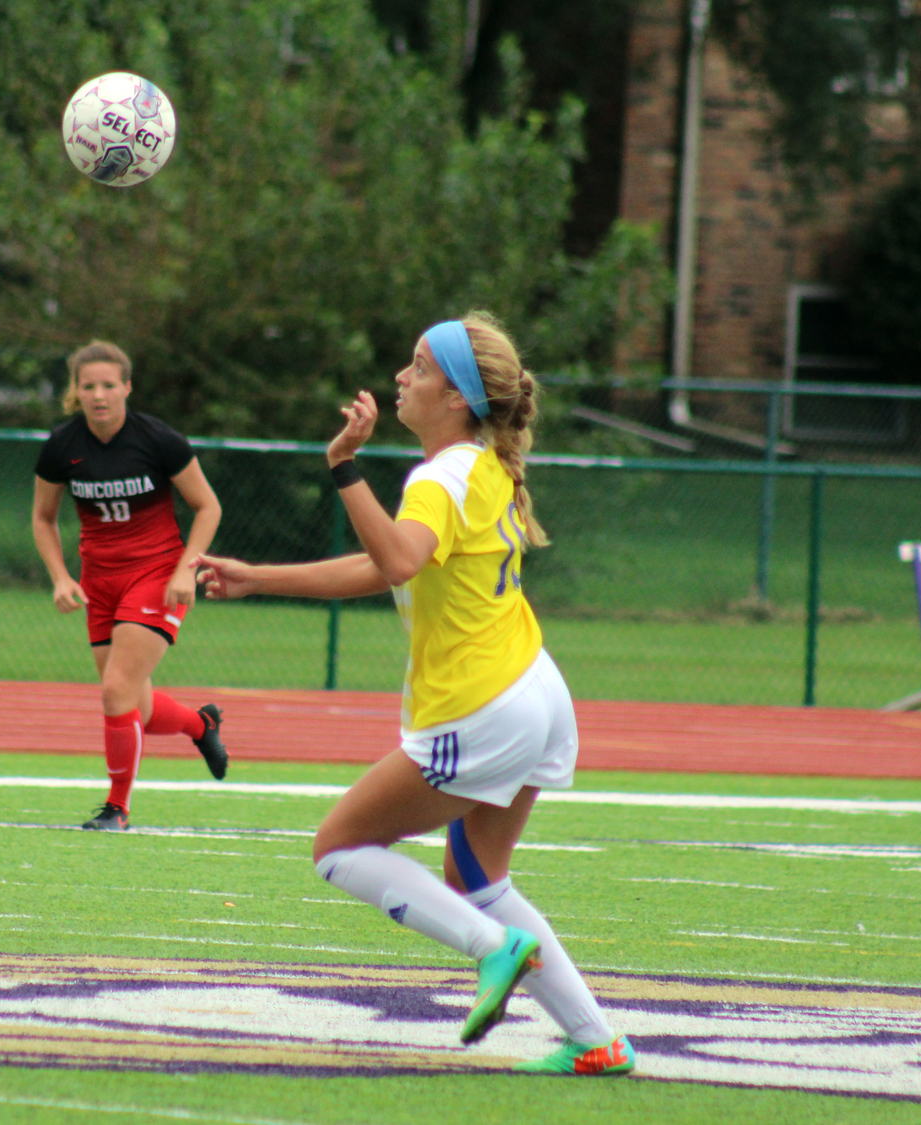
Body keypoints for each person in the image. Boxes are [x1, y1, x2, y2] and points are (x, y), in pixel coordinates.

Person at [197, 313, 632, 1073]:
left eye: (421, 366)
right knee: (478, 876)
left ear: (458, 397)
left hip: (481, 704)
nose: (403, 375)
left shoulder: (439, 475)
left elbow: (394, 560)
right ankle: (597, 1040)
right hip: (537, 689)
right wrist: (259, 576)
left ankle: (492, 950)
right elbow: (384, 565)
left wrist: (342, 465)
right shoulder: (481, 464)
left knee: (339, 847)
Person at [32, 341, 229, 831]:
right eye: (88, 386)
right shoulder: (63, 446)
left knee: (116, 690)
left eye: (108, 385)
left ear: (127, 387)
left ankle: (117, 809)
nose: (99, 395)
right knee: (132, 705)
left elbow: (209, 506)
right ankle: (200, 724)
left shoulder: (157, 440)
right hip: (99, 581)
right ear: (76, 392)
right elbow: (42, 517)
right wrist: (60, 577)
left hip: (156, 575)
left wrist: (187, 568)